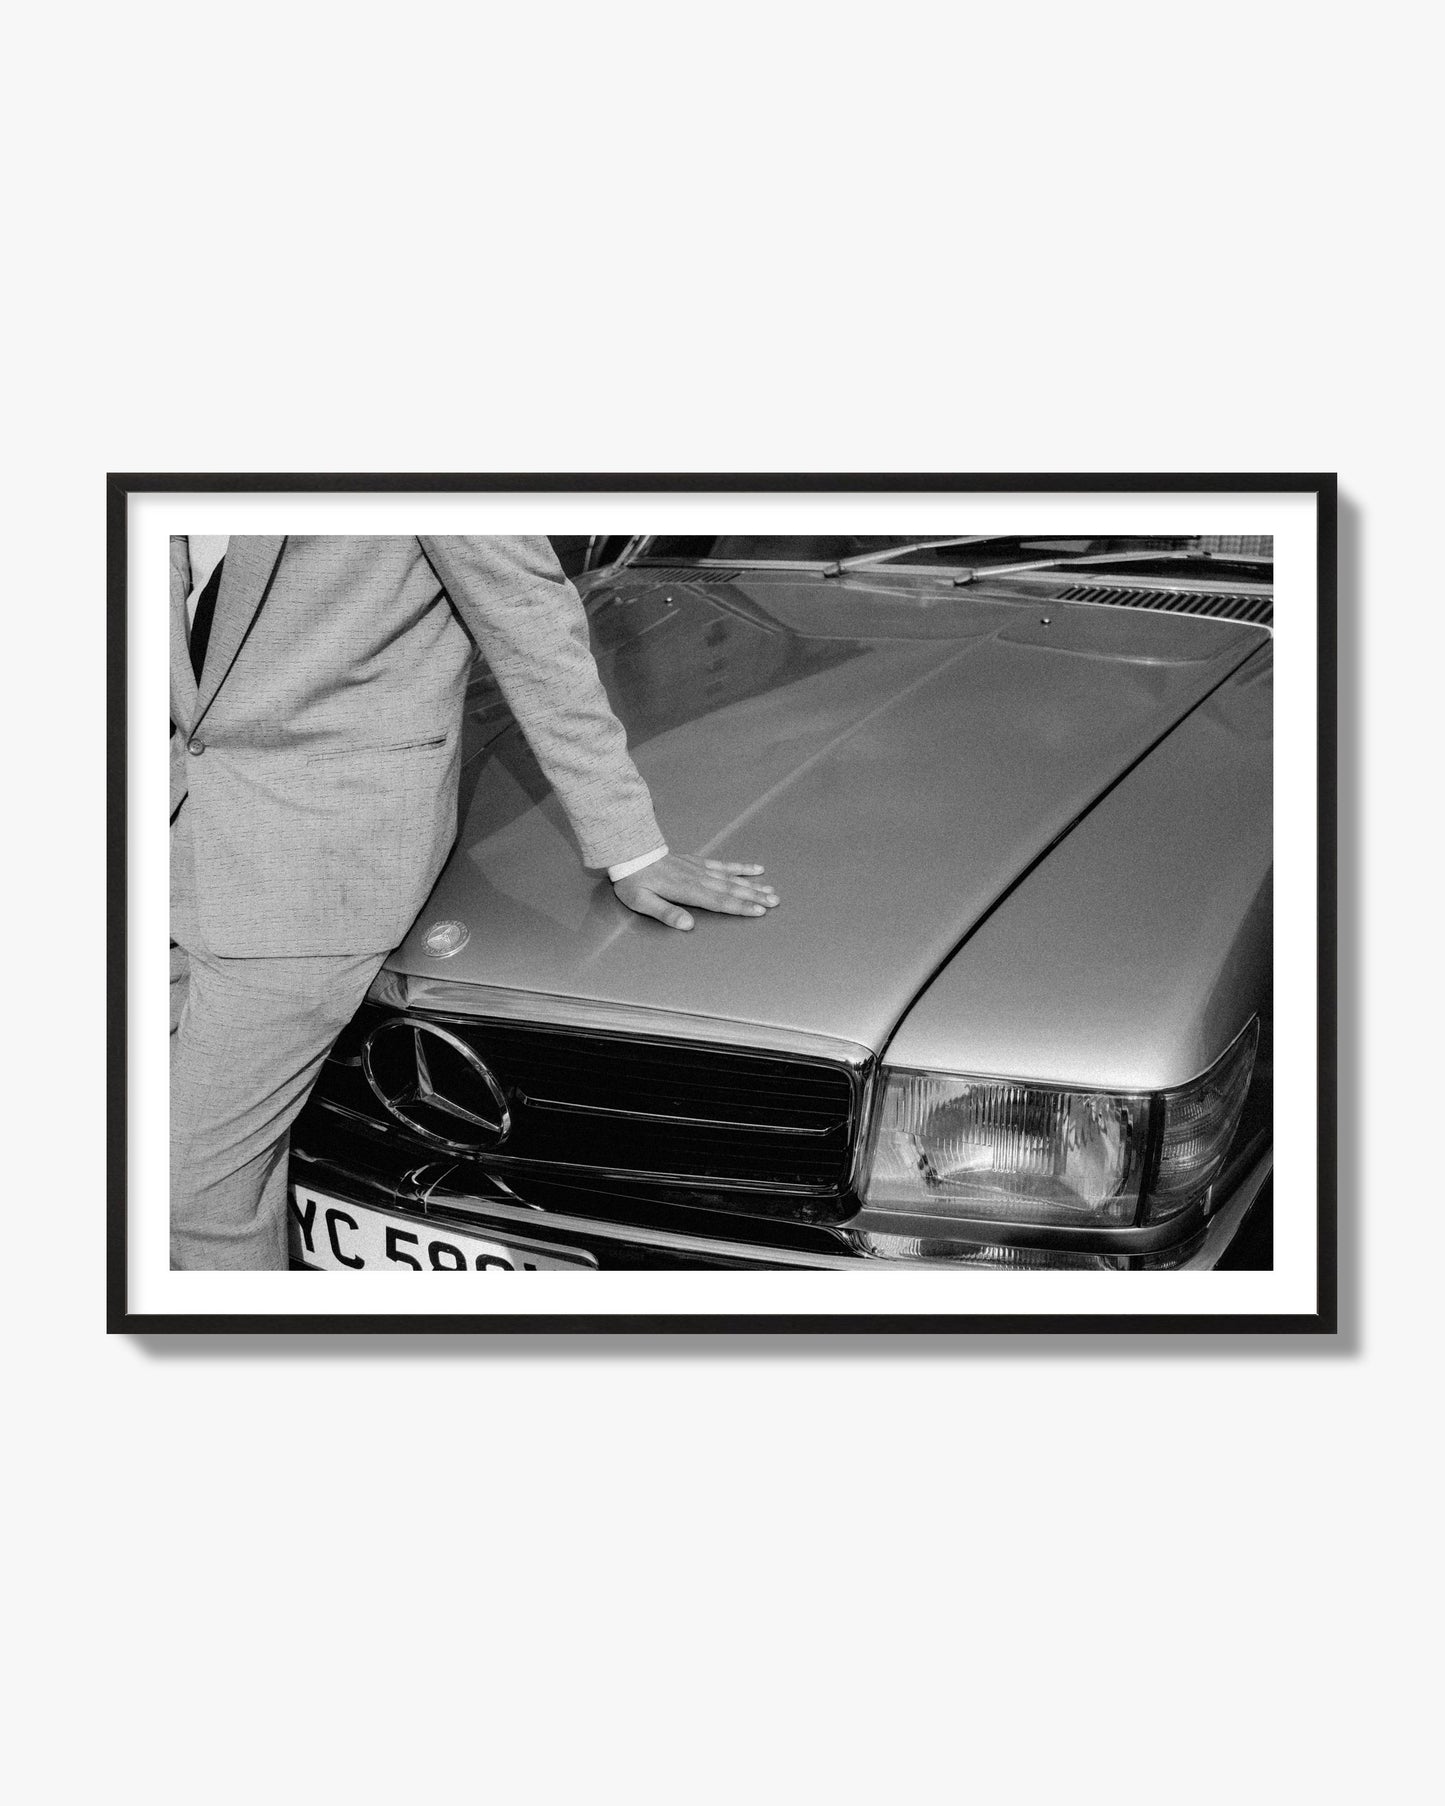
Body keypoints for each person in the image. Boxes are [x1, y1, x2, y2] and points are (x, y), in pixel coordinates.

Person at [169, 534, 778, 1270]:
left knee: (188, 1188)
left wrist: (632, 847)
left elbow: (531, 621)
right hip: (176, 828)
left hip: (319, 853)